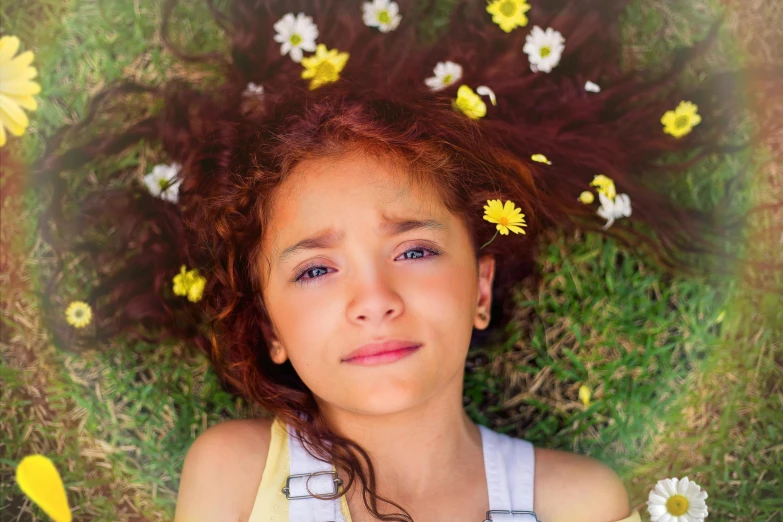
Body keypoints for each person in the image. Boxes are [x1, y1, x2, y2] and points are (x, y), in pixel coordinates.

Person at [33, 0, 779, 521]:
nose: (375, 297)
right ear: (270, 329)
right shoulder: (233, 475)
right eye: (315, 269)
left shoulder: (576, 502)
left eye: (414, 250)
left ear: (480, 288)